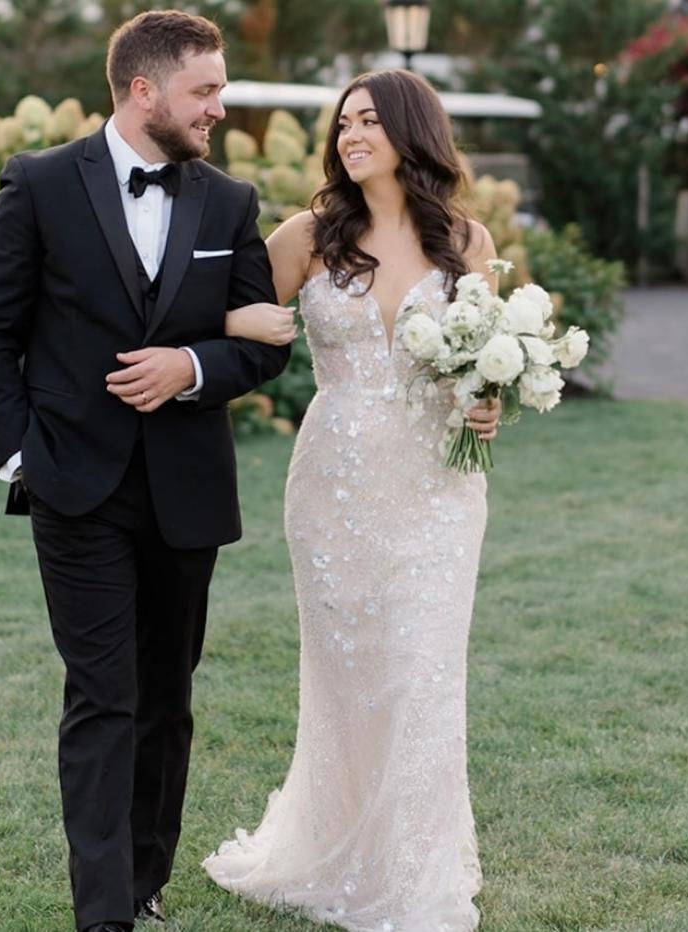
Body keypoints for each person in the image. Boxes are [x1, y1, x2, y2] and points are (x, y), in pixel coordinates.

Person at [0, 11, 289, 932]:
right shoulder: (40, 183)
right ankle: (103, 915)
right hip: (76, 486)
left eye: (220, 90)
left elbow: (263, 348)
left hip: (186, 492)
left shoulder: (231, 202)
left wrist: (189, 368)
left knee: (166, 700)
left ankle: (146, 881)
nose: (219, 108)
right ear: (144, 90)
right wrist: (22, 456)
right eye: (206, 91)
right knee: (102, 697)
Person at [202, 69, 501, 932]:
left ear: (413, 132)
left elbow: (487, 365)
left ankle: (414, 875)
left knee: (425, 673)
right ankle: (340, 845)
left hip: (442, 489)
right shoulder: (309, 235)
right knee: (348, 677)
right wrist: (239, 324)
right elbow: (218, 309)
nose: (350, 135)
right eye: (343, 124)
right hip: (335, 484)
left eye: (369, 121)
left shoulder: (466, 243)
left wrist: (490, 404)